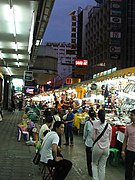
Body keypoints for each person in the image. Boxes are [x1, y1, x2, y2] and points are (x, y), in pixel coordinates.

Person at [92, 109, 112, 180]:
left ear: (98, 115)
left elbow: (93, 137)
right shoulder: (109, 126)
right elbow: (110, 139)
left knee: (94, 164)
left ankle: (95, 179)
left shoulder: (95, 123)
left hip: (97, 147)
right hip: (106, 148)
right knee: (102, 166)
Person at [121, 109, 135, 180]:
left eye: (132, 115)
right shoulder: (128, 127)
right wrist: (123, 151)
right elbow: (125, 140)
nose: (130, 117)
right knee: (128, 171)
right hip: (129, 151)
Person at [83, 110, 96, 177]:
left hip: (89, 143)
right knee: (95, 159)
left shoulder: (87, 123)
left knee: (89, 159)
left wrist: (84, 139)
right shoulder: (97, 122)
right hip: (96, 144)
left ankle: (90, 172)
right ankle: (95, 171)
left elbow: (85, 133)